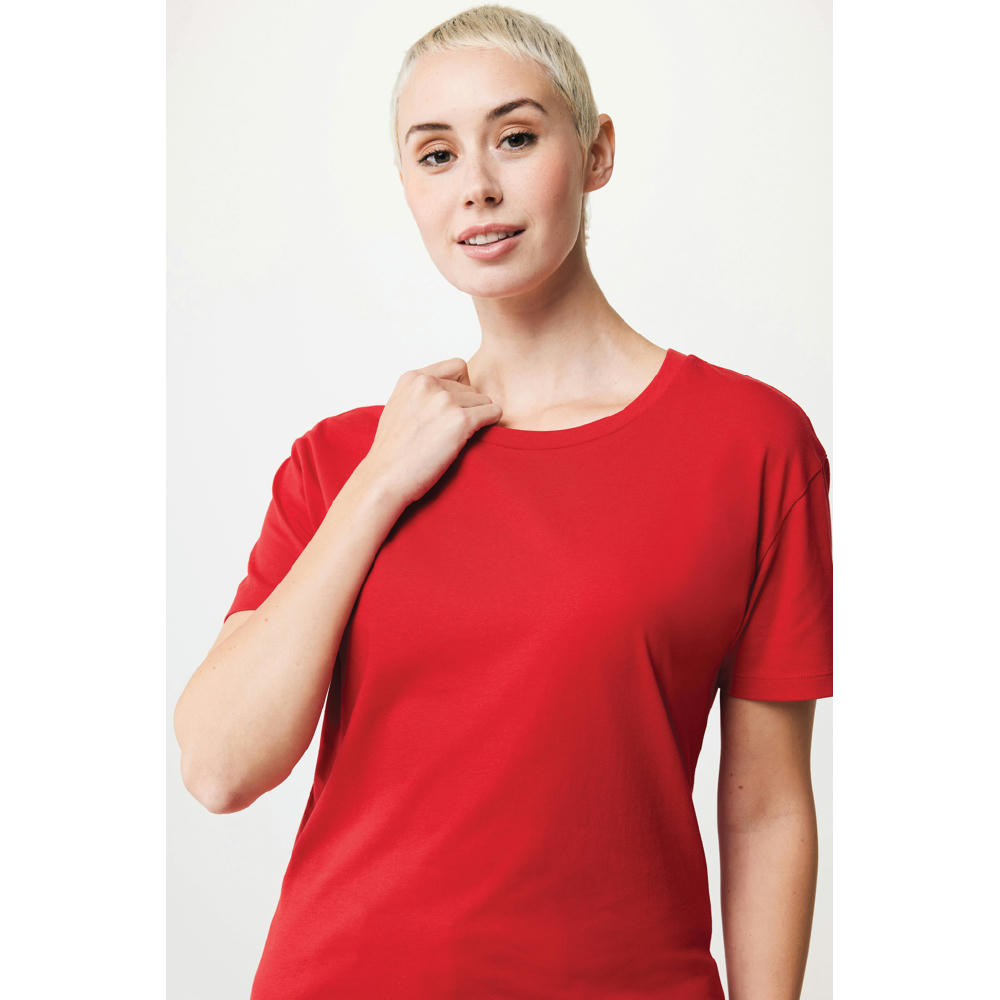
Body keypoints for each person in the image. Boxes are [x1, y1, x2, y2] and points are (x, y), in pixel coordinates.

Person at [173, 5, 832, 998]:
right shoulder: (342, 461)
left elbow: (767, 807)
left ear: (596, 151)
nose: (476, 185)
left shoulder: (750, 445)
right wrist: (381, 483)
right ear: (409, 188)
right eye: (436, 155)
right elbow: (220, 765)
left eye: (515, 138)